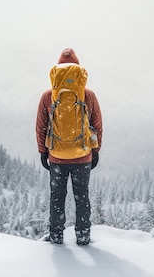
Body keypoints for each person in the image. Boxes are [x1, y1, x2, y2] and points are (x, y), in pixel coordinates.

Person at [36, 48, 103, 245]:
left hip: (57, 156)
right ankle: (83, 236)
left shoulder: (48, 96)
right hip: (83, 156)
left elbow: (41, 126)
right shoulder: (88, 95)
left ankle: (56, 236)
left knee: (57, 197)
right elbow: (97, 125)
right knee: (82, 196)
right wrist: (96, 151)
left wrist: (43, 151)